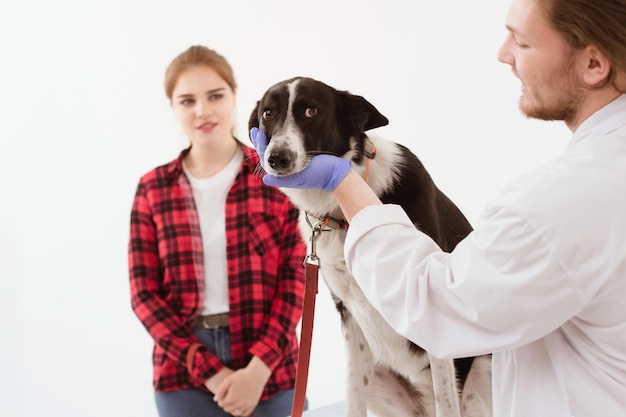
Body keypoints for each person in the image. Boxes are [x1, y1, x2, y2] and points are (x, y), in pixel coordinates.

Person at [251, 0, 626, 415]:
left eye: (521, 41)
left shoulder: (561, 202)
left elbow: (437, 310)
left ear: (594, 63)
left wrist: (343, 183)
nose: (503, 54)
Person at [128, 45, 307, 417]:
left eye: (215, 96)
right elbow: (144, 294)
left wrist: (257, 371)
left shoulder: (278, 177)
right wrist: (210, 372)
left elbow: (298, 277)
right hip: (184, 372)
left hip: (272, 370)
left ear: (236, 97)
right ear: (173, 107)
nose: (203, 110)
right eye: (187, 100)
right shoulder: (152, 189)